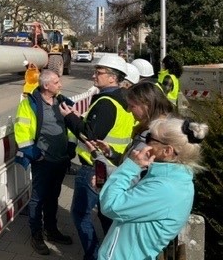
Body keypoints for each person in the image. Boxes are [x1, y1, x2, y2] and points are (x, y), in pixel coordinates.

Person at [98, 117, 208, 260]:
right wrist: (110, 186)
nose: (145, 142)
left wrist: (131, 165)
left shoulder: (165, 188)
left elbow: (110, 205)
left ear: (167, 151)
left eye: (150, 138)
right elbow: (133, 202)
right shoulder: (174, 180)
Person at [59, 54, 135, 260]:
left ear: (112, 77)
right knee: (105, 211)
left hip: (95, 167)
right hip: (111, 165)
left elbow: (89, 135)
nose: (94, 75)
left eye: (99, 72)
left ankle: (94, 255)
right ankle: (113, 251)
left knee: (80, 213)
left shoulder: (106, 102)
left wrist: (70, 117)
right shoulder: (123, 99)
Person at [84, 83, 176, 233]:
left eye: (132, 106)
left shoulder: (154, 139)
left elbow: (132, 176)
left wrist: (97, 156)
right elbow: (133, 164)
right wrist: (111, 152)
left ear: (146, 105)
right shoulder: (151, 131)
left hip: (126, 203)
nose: (128, 110)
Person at [14, 69, 76, 255]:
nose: (60, 85)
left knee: (53, 196)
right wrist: (35, 154)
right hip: (43, 161)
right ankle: (36, 235)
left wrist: (70, 147)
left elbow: (71, 127)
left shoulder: (63, 102)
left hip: (60, 159)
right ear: (46, 85)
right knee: (38, 199)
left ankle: (51, 230)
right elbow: (22, 131)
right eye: (56, 82)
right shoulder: (29, 104)